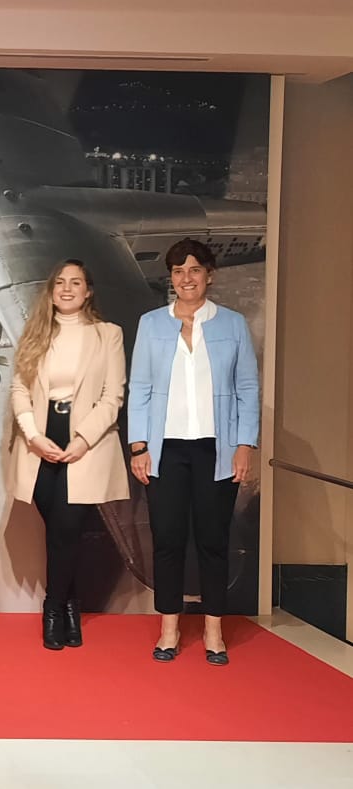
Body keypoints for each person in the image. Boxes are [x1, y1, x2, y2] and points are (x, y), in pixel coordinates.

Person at [128, 239, 259, 665]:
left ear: (209, 275)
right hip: (164, 450)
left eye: (195, 270)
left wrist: (244, 444)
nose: (186, 278)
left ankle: (213, 630)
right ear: (171, 277)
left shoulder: (232, 324)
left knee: (213, 540)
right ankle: (169, 627)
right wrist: (139, 445)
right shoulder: (151, 323)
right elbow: (140, 387)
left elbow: (247, 388)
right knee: (167, 539)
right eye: (178, 271)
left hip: (216, 450)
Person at [7, 260, 129, 650]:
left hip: (85, 444)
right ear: (51, 289)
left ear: (88, 291)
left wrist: (83, 440)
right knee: (60, 531)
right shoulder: (36, 332)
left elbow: (112, 396)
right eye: (60, 282)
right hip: (41, 441)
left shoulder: (108, 334)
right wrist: (33, 435)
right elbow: (19, 390)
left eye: (76, 282)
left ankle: (54, 609)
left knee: (68, 528)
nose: (67, 288)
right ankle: (71, 605)